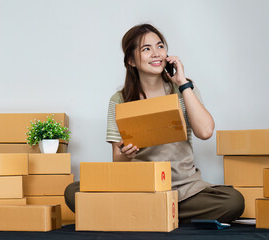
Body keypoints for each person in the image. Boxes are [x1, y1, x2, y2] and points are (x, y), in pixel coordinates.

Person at [64, 23, 244, 223]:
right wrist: (127, 154)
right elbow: (117, 159)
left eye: (160, 46)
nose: (156, 54)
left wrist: (183, 83)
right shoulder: (120, 99)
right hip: (140, 188)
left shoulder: (183, 90)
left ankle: (147, 214)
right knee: (74, 192)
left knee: (233, 201)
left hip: (184, 191)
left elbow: (205, 131)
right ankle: (158, 212)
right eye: (146, 49)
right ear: (131, 60)